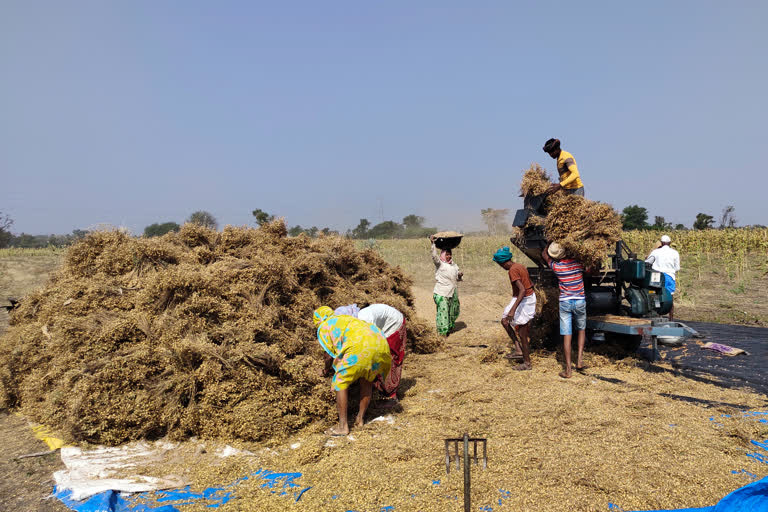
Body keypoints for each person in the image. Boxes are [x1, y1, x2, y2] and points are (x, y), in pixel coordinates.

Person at [314, 306, 392, 436]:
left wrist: (326, 370)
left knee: (340, 383)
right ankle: (360, 419)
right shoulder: (347, 319)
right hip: (380, 344)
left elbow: (328, 355)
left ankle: (343, 427)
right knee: (367, 380)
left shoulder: (325, 325)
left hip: (359, 348)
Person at [541, 242, 587, 378]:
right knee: (581, 330)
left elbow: (544, 254)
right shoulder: (578, 264)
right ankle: (579, 361)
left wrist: (549, 243)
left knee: (567, 335)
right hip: (579, 301)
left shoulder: (556, 267)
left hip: (565, 302)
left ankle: (568, 370)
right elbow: (590, 266)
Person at [493, 246, 537, 370]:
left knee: (522, 333)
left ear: (503, 262)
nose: (501, 267)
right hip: (523, 297)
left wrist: (513, 310)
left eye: (500, 264)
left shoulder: (512, 270)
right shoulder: (519, 266)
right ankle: (518, 350)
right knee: (505, 321)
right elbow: (529, 284)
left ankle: (527, 363)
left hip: (525, 299)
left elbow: (522, 290)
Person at [357, 304, 407, 404]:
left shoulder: (365, 319)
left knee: (388, 359)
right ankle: (379, 390)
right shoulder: (357, 320)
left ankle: (391, 396)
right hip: (384, 325)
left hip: (394, 325)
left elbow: (373, 340)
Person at [429, 235, 462, 336]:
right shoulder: (440, 264)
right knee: (443, 312)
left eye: (450, 254)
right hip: (441, 292)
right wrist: (432, 244)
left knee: (453, 310)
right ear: (443, 255)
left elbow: (457, 278)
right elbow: (434, 256)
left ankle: (449, 327)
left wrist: (459, 275)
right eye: (447, 255)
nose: (449, 256)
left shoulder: (454, 265)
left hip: (452, 292)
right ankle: (442, 332)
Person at [645, 235, 681, 320]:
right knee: (670, 297)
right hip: (669, 276)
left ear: (661, 243)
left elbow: (647, 262)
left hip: (657, 276)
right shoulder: (675, 253)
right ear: (670, 243)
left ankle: (657, 315)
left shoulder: (655, 252)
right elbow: (677, 268)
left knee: (656, 296)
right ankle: (671, 317)